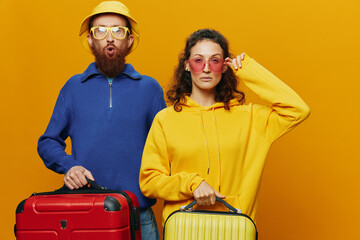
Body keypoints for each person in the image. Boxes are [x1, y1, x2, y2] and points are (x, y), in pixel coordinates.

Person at [139, 29, 310, 225]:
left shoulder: (251, 118)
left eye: (215, 60)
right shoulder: (165, 120)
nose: (206, 68)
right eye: (198, 60)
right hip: (185, 229)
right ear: (186, 65)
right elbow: (149, 182)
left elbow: (298, 110)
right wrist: (191, 184)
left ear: (225, 66)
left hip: (235, 229)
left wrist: (247, 69)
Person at [37, 1, 165, 239]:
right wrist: (69, 166)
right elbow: (47, 142)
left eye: (118, 30)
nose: (109, 37)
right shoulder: (73, 87)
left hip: (139, 213)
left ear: (129, 41)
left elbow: (169, 147)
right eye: (100, 30)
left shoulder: (150, 88)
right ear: (89, 40)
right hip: (87, 211)